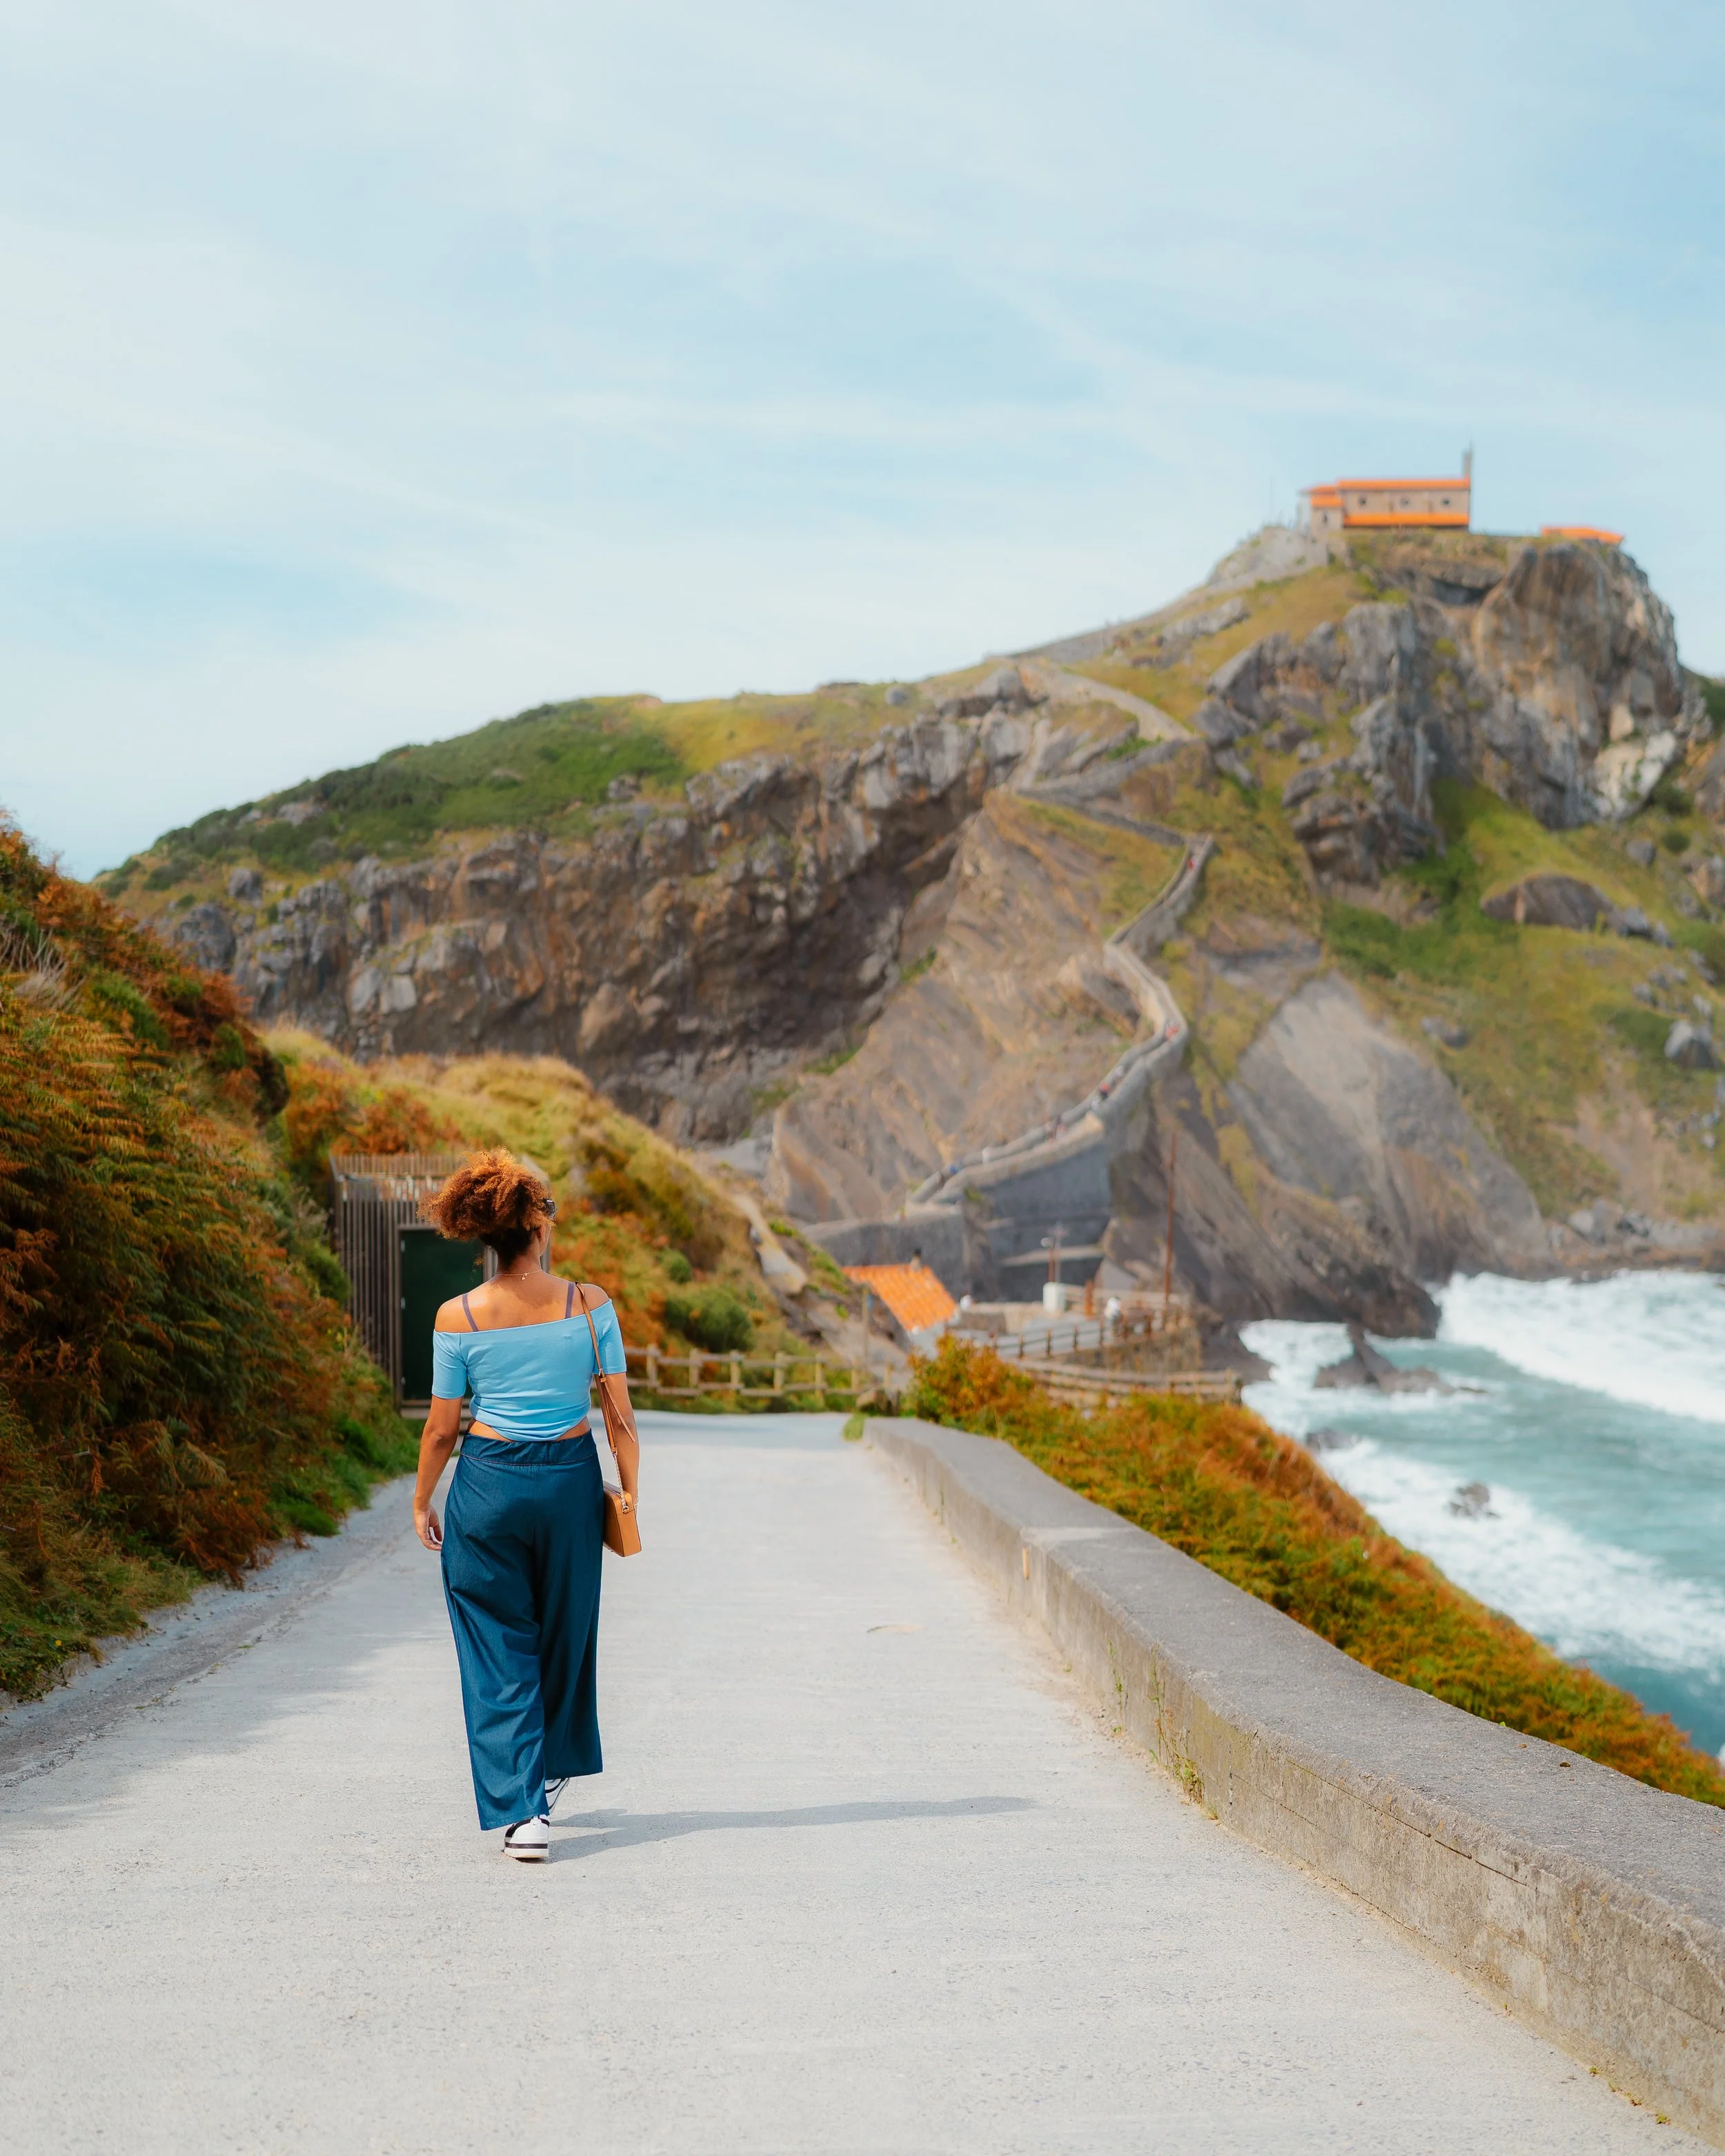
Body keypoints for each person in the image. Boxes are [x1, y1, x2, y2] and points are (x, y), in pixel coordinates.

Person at [412, 1149, 640, 1861]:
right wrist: (628, 1492)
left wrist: (423, 1497)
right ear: (536, 1226)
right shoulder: (589, 1302)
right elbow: (620, 1415)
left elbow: (443, 1426)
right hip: (570, 1480)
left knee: (495, 1636)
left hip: (487, 1484)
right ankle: (545, 1768)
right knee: (563, 1629)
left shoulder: (458, 1315)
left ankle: (522, 1810)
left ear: (485, 1235)